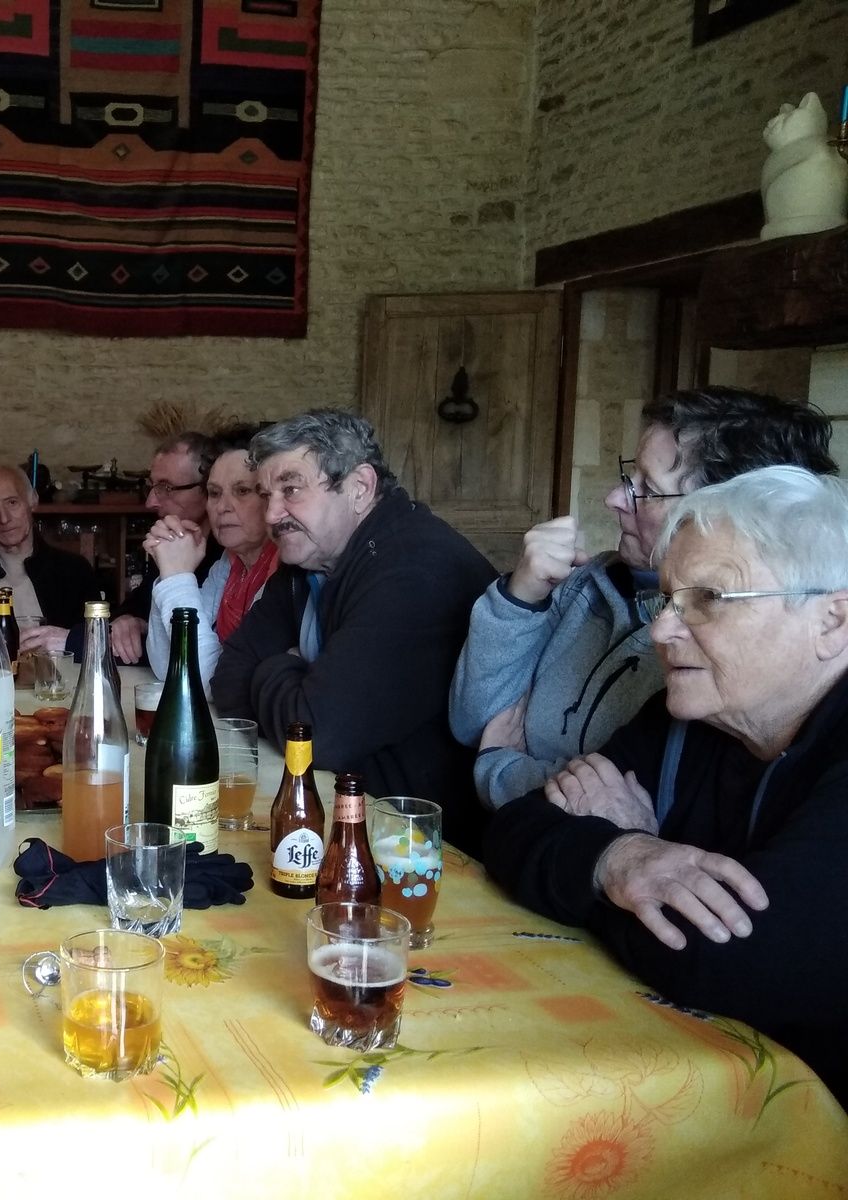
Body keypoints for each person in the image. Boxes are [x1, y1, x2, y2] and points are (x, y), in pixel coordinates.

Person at [482, 466, 848, 1103]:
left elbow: (731, 963)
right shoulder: (691, 717)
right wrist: (620, 856)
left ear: (832, 622)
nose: (660, 631)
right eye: (669, 599)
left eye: (708, 599)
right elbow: (513, 831)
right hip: (686, 1083)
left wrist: (596, 860)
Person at [451, 387, 836, 809]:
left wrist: (500, 766)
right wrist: (522, 596)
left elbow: (616, 802)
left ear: (722, 511)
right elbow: (473, 722)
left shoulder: (708, 649)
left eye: (647, 488)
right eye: (629, 477)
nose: (614, 499)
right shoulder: (588, 583)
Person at [212, 411, 495, 852]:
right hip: (350, 815)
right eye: (267, 495)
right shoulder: (307, 559)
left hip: (427, 847)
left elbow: (320, 735)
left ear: (359, 487)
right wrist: (300, 684)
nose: (272, 514)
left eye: (291, 489)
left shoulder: (416, 566)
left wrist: (275, 668)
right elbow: (228, 680)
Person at [20, 431, 221, 665]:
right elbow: (134, 609)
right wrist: (131, 620)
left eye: (166, 487)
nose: (150, 502)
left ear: (208, 490)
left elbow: (190, 656)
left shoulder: (224, 562)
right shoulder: (175, 544)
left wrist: (73, 641)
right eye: (152, 487)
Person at [144, 423, 278, 696]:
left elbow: (213, 681)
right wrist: (168, 575)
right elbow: (168, 665)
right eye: (215, 493)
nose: (222, 507)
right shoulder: (229, 564)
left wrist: (177, 579)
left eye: (242, 491)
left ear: (270, 497)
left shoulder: (282, 569)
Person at [0, 464, 101, 629]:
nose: (4, 519)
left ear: (33, 500)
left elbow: (95, 638)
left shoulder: (75, 572)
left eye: (12, 502)